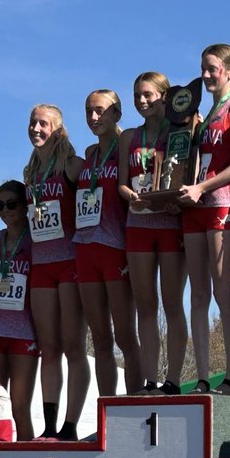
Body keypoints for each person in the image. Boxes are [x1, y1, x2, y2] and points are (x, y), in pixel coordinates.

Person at [178, 44, 230, 395]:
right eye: (203, 69)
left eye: (212, 69)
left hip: (223, 203)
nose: (206, 75)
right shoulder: (204, 113)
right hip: (195, 206)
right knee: (198, 294)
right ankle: (203, 377)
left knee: (224, 291)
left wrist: (203, 186)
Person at [117, 71, 187, 395]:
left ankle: (172, 380)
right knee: (145, 306)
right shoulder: (128, 137)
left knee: (172, 304)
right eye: (137, 96)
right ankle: (149, 380)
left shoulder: (181, 131)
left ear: (165, 95)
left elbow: (189, 174)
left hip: (170, 224)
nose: (142, 101)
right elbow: (121, 181)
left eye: (148, 94)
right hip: (138, 225)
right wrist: (129, 195)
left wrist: (177, 201)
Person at [24, 104, 90, 440]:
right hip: (41, 265)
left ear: (59, 129)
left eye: (43, 123)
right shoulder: (30, 171)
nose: (36, 128)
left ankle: (71, 425)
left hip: (69, 262)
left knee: (73, 347)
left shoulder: (71, 165)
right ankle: (49, 426)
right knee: (48, 348)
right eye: (33, 122)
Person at [75, 89, 142, 395]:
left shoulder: (125, 148)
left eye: (101, 111)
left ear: (117, 113)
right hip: (86, 249)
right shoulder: (90, 155)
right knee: (100, 337)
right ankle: (106, 408)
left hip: (116, 248)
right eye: (89, 111)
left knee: (125, 336)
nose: (94, 118)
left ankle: (135, 402)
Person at [0, 180, 39, 440]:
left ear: (25, 205)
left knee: (20, 407)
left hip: (24, 330)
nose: (5, 210)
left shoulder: (36, 237)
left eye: (11, 204)